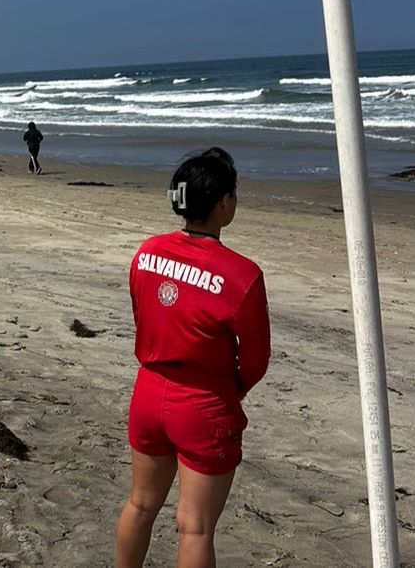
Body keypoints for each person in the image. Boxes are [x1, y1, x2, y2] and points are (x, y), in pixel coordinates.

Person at [116, 147, 269, 568]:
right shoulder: (242, 275)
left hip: (148, 391)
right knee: (195, 526)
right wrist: (228, 391)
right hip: (203, 402)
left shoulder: (146, 253)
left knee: (141, 504)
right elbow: (255, 360)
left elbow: (142, 313)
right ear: (223, 204)